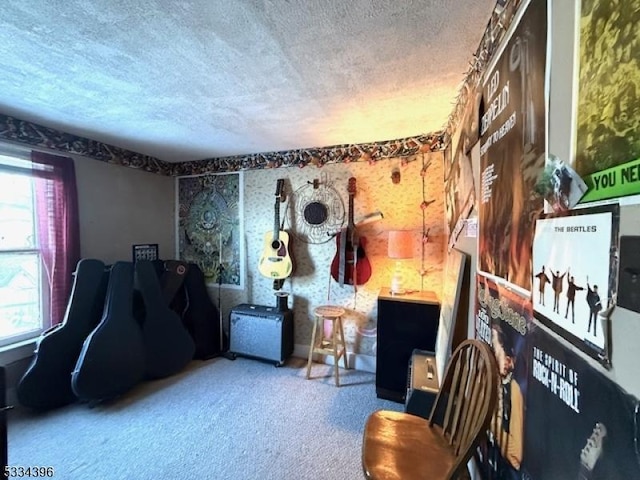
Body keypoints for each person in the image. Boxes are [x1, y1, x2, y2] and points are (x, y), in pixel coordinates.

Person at [489, 324, 524, 480]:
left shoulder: (514, 390)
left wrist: (491, 422)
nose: (493, 354)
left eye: (497, 351)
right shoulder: (490, 379)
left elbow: (516, 456)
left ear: (509, 361)